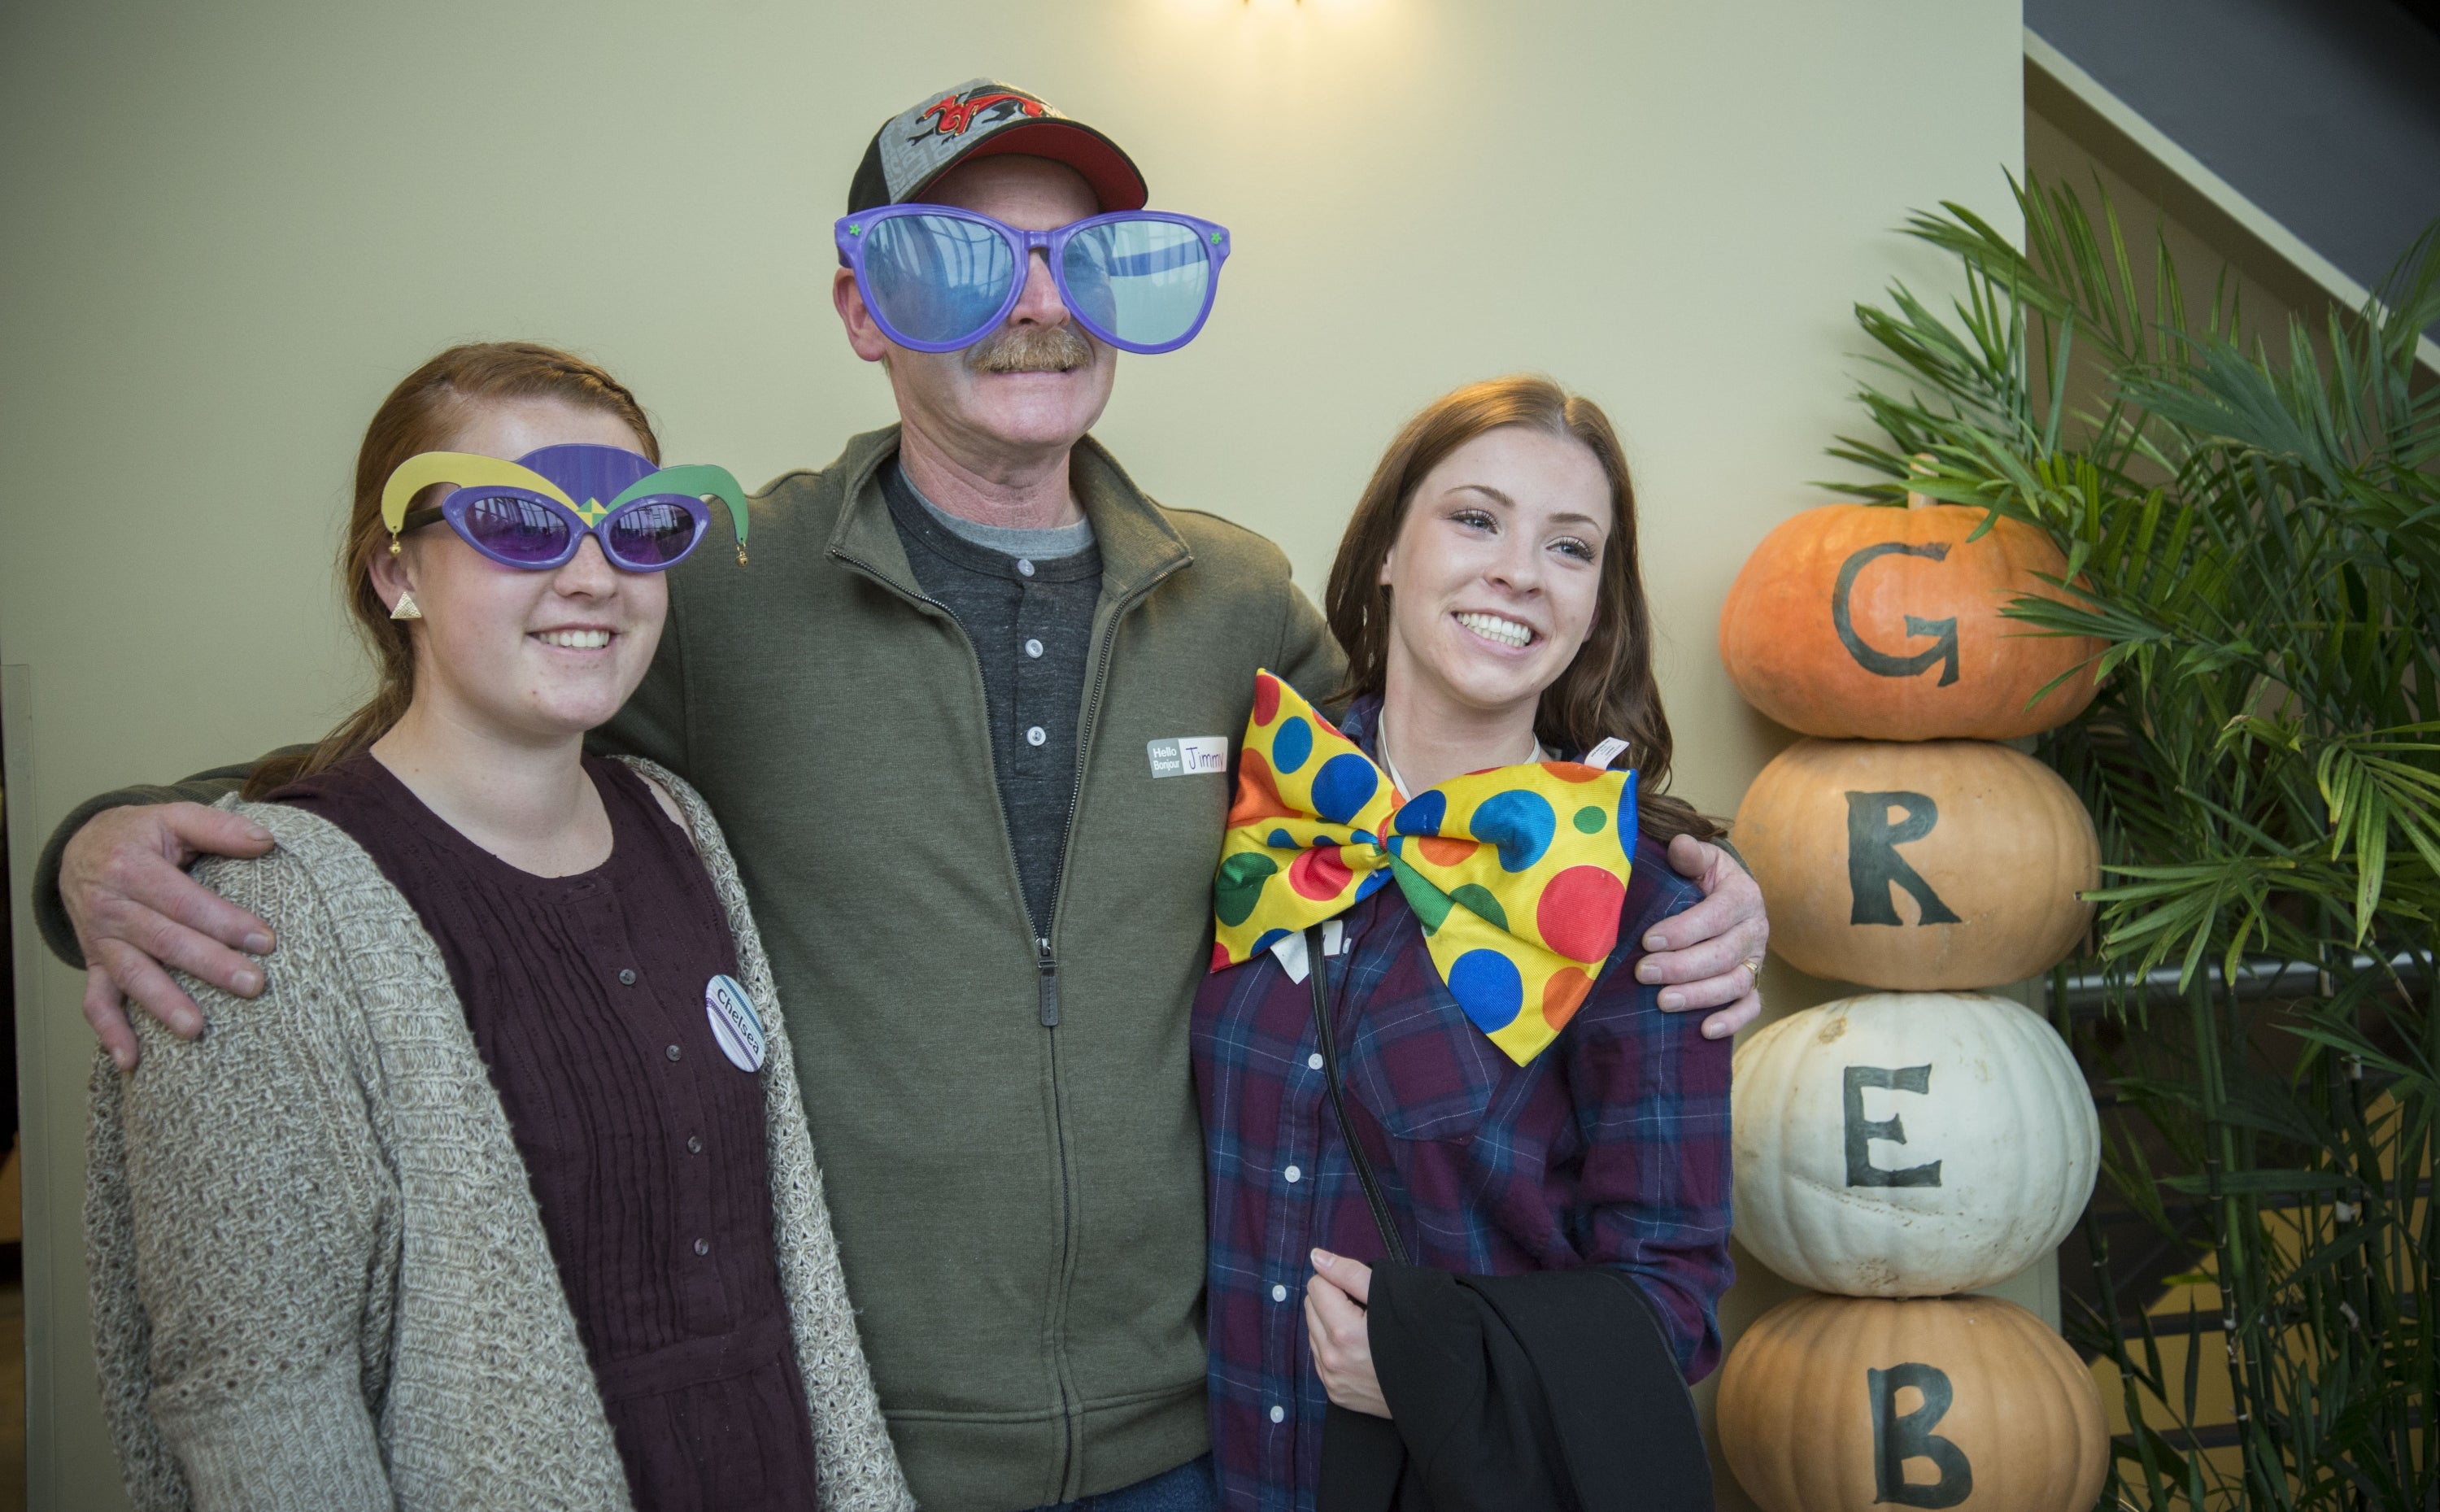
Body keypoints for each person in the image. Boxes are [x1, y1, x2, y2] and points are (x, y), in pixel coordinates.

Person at [41, 81, 1767, 1512]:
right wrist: (101, 843)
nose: (1033, 304)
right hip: (864, 1443)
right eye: (962, 257)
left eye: (1074, 262)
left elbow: (1434, 793)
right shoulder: (719, 585)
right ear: (866, 306)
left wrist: (1683, 861)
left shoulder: (1235, 603)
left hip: (1212, 1434)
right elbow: (467, 736)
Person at [84, 343, 910, 1512]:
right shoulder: (254, 911)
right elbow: (256, 1398)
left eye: (637, 529)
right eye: (522, 525)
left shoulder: (681, 826)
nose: (592, 576)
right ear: (393, 572)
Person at [1195, 378, 1731, 1512]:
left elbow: (1673, 1299)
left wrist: (1439, 1371)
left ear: (1597, 603)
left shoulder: (1647, 909)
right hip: (1208, 1477)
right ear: (1388, 547)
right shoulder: (1254, 794)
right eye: (1476, 519)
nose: (1519, 573)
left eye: (1571, 548)